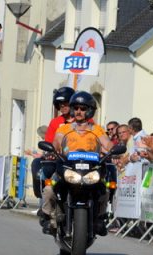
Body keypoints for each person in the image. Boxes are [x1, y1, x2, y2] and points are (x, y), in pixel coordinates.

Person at [40, 91, 114, 236]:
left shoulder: (96, 129)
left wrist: (114, 150)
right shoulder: (64, 128)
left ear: (90, 110)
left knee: (104, 190)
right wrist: (52, 150)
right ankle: (48, 217)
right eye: (76, 108)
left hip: (90, 169)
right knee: (49, 190)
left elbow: (107, 143)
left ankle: (99, 217)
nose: (79, 111)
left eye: (83, 108)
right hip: (68, 167)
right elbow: (56, 141)